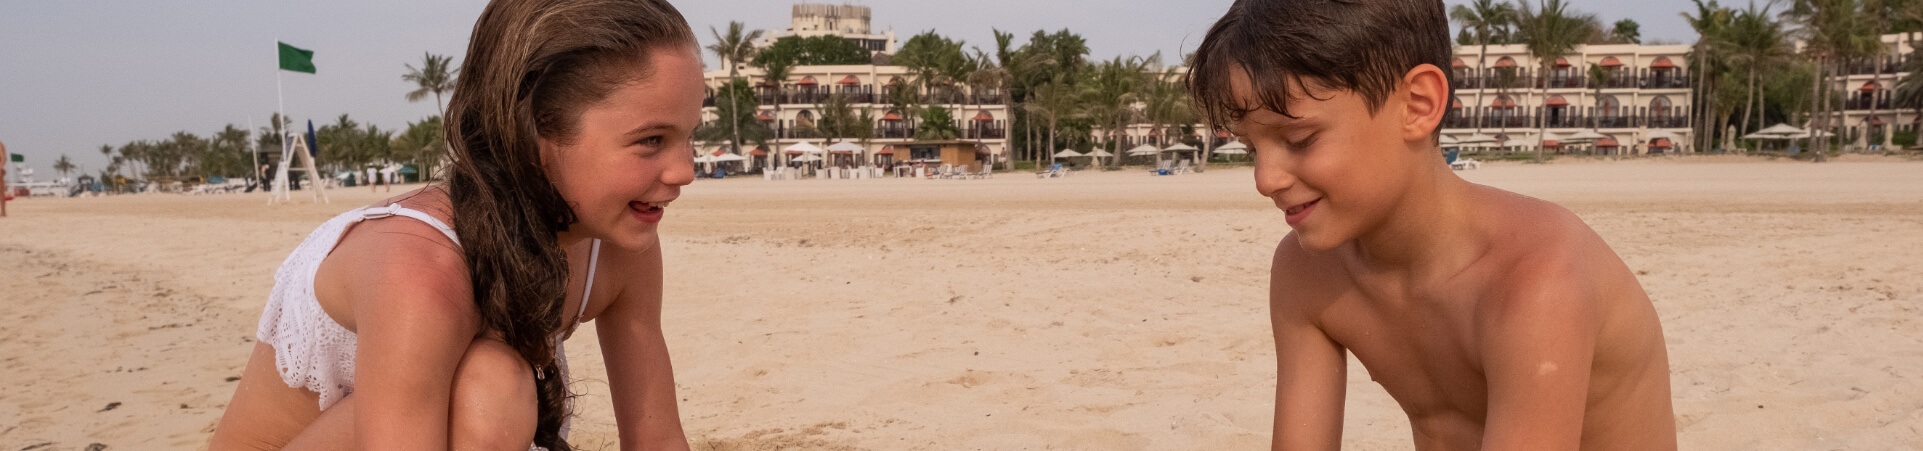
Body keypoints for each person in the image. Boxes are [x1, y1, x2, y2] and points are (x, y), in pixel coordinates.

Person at [209, 0, 700, 449]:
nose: (685, 171)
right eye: (651, 140)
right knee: (491, 387)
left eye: (689, 136)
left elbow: (656, 438)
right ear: (532, 129)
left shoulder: (617, 243)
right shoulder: (422, 272)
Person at [1186, 1, 1676, 449]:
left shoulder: (1535, 282)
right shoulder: (1309, 271)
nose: (1265, 179)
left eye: (1299, 139)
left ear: (1418, 105)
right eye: (1251, 148)